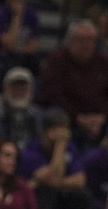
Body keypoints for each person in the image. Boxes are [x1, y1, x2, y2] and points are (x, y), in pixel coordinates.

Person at [18, 108, 91, 209]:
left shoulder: (69, 147)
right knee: (46, 191)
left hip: (60, 201)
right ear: (48, 132)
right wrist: (60, 145)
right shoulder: (31, 150)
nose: (64, 137)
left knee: (81, 196)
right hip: (34, 202)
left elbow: (80, 180)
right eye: (60, 134)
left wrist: (52, 181)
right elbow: (50, 176)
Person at [37, 20, 108, 152]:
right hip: (68, 116)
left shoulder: (103, 63)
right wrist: (79, 118)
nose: (86, 45)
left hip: (99, 119)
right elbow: (52, 94)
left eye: (91, 40)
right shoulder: (57, 60)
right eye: (81, 40)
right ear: (70, 41)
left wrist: (102, 116)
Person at [0, 67, 42, 151]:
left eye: (23, 88)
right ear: (6, 89)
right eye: (15, 87)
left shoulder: (38, 114)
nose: (19, 91)